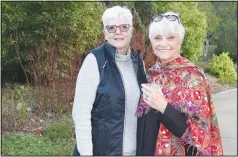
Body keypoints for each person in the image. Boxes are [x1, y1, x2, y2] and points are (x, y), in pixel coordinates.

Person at [136, 12, 223, 156]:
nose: (163, 43)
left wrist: (164, 107)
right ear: (151, 41)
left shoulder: (193, 77)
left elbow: (200, 136)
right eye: (158, 38)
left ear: (180, 41)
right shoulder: (152, 73)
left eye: (170, 37)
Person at [72, 6, 147, 156]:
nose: (118, 32)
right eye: (111, 28)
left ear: (131, 30)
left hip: (133, 152)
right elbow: (81, 113)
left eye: (124, 27)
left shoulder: (138, 62)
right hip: (101, 151)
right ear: (105, 33)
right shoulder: (95, 60)